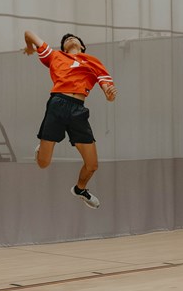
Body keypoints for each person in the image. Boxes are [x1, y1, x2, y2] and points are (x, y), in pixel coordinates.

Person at [23, 30, 117, 208]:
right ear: (64, 49)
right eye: (66, 40)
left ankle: (80, 189)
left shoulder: (93, 61)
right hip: (58, 104)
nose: (70, 38)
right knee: (43, 163)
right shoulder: (55, 56)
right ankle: (41, 149)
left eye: (74, 38)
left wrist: (109, 95)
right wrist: (29, 47)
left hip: (78, 110)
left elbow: (107, 90)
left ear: (82, 46)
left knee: (92, 165)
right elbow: (29, 33)